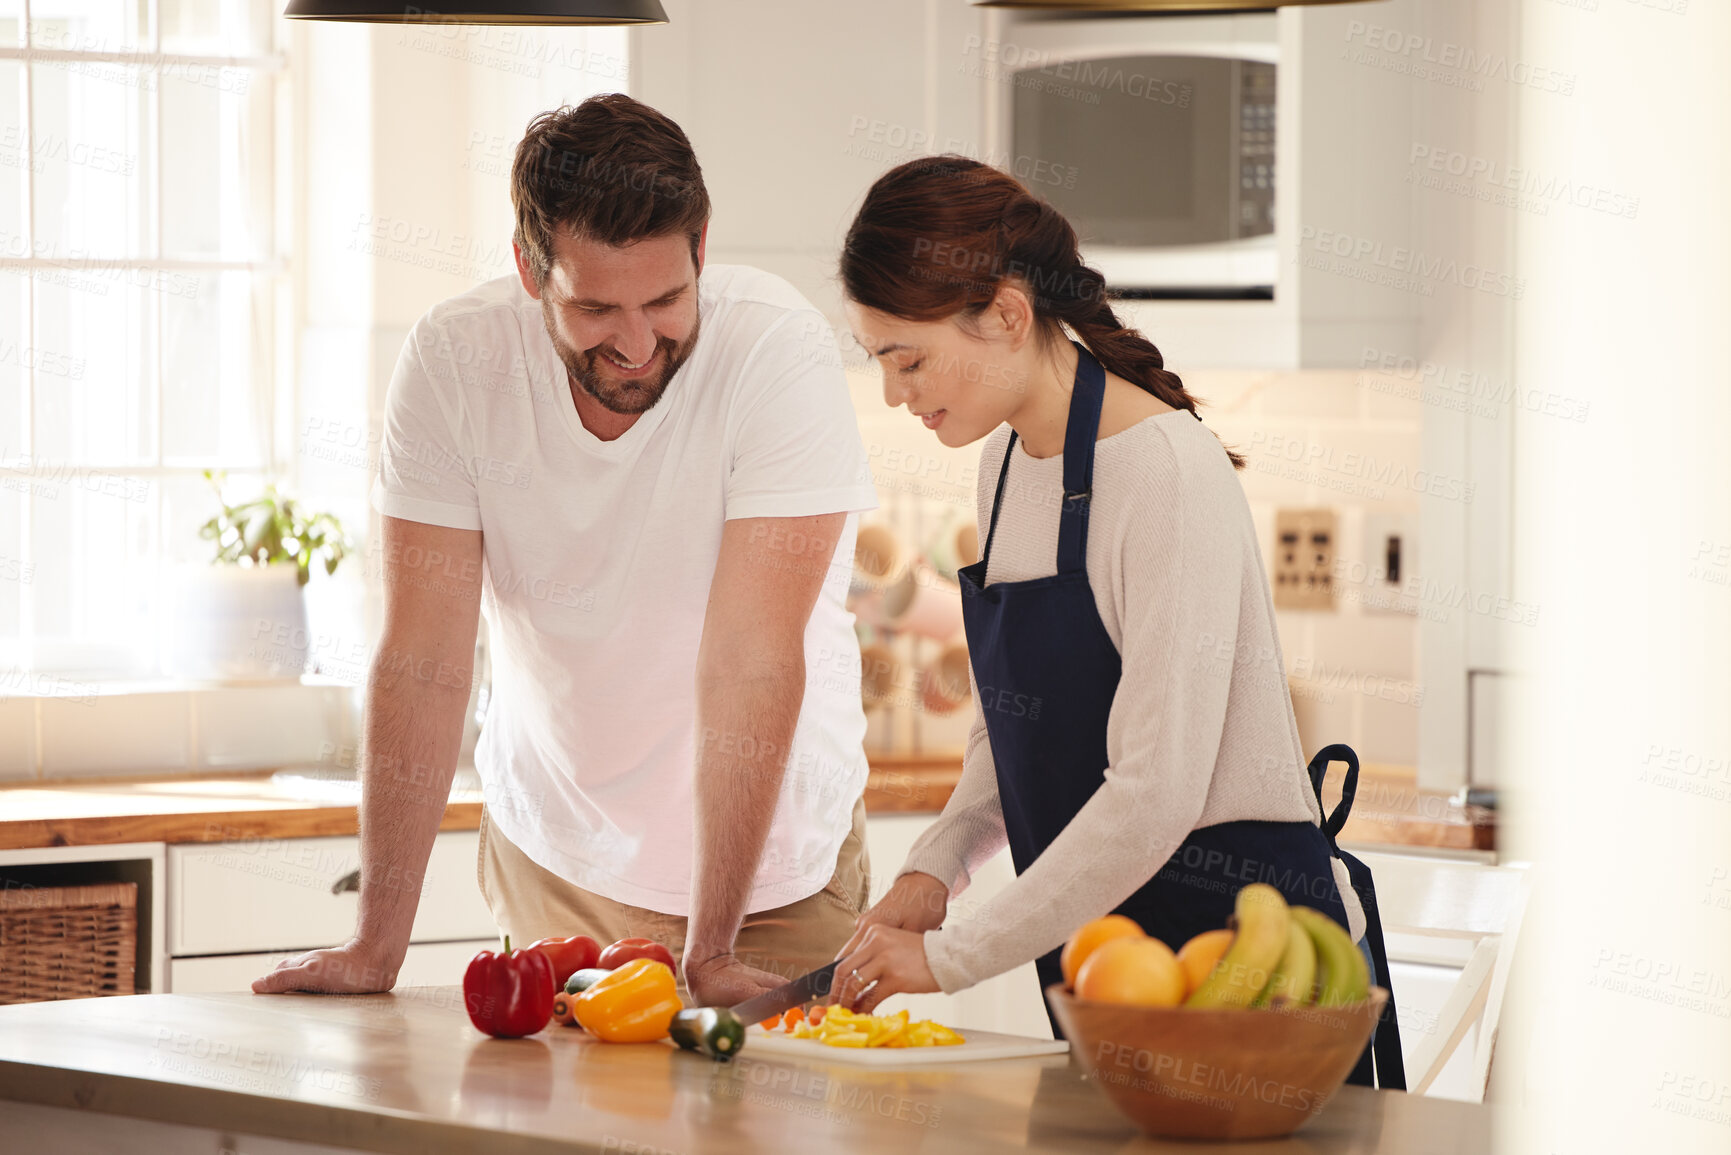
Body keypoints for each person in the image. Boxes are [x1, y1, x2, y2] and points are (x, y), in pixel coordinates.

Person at [253, 94, 879, 1007]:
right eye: (593, 308)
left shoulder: (774, 352)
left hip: (772, 886)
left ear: (702, 247)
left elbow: (750, 661)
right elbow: (423, 660)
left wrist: (708, 952)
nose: (634, 344)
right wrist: (375, 946)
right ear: (528, 267)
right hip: (551, 863)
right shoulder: (455, 361)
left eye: (665, 300)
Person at [830, 156, 1404, 1088]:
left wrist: (950, 959)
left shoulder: (1165, 474)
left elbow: (1154, 793)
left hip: (1239, 946)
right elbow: (1010, 728)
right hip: (1105, 944)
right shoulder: (1008, 459)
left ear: (1007, 314)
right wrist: (936, 866)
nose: (897, 392)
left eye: (909, 358)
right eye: (880, 363)